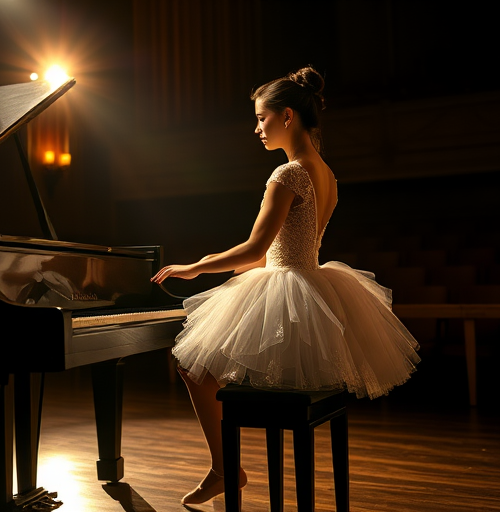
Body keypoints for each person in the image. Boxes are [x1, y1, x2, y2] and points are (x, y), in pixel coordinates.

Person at [151, 66, 420, 506]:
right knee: (210, 365)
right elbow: (270, 253)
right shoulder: (326, 173)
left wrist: (196, 266)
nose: (257, 128)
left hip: (289, 292)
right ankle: (230, 467)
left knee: (194, 369)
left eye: (262, 117)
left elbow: (256, 247)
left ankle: (225, 469)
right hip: (313, 286)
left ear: (288, 116)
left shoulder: (288, 174)